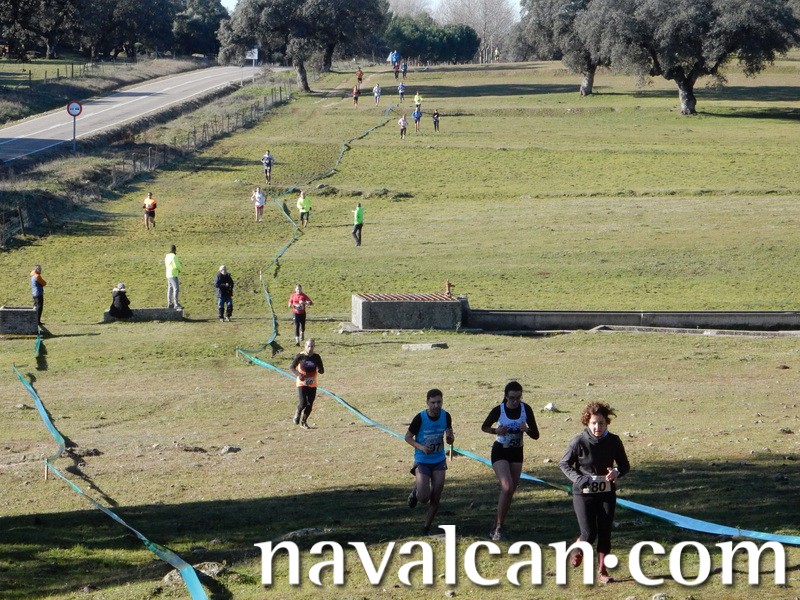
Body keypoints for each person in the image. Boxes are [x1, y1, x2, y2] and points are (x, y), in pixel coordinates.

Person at [559, 402, 630, 584]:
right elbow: (564, 464)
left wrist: (616, 472)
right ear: (587, 422)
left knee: (605, 532)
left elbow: (624, 465)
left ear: (607, 423)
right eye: (593, 423)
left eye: (601, 423)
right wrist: (578, 478)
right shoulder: (578, 442)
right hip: (583, 493)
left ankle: (602, 571)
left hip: (606, 492)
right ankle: (578, 549)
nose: (597, 427)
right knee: (589, 533)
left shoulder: (614, 441)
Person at [481, 381, 540, 541]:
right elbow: (484, 427)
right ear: (506, 396)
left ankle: (496, 525)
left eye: (518, 398)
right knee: (507, 487)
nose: (515, 401)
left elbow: (536, 435)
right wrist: (496, 431)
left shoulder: (526, 409)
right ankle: (499, 528)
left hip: (516, 452)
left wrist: (526, 430)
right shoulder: (499, 410)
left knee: (510, 490)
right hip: (500, 451)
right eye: (512, 398)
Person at [405, 389, 455, 535]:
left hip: (439, 460)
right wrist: (421, 447)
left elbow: (449, 440)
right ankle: (417, 490)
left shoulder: (446, 416)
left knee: (436, 495)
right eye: (433, 402)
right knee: (423, 498)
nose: (436, 405)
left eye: (439, 402)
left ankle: (426, 527)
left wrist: (450, 438)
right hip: (422, 460)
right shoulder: (420, 418)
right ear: (427, 402)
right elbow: (407, 437)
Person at [288, 339, 324, 429]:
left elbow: (321, 368)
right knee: (303, 403)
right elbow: (292, 367)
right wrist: (298, 374)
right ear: (305, 346)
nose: (310, 348)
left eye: (312, 346)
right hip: (302, 382)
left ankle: (304, 422)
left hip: (312, 383)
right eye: (308, 346)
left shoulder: (316, 357)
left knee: (310, 404)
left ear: (314, 347)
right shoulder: (300, 356)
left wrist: (320, 370)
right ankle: (298, 412)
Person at [165, 245, 182, 309]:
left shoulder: (167, 256)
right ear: (175, 250)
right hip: (173, 274)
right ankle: (176, 304)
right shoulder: (174, 256)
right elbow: (176, 265)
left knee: (170, 289)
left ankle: (170, 303)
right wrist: (180, 270)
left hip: (168, 274)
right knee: (176, 289)